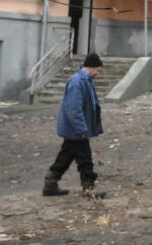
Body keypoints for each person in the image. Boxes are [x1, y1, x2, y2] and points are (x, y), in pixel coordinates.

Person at [43, 52, 106, 199]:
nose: (98, 72)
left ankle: (50, 185)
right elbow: (73, 109)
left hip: (75, 129)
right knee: (85, 160)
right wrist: (82, 129)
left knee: (65, 157)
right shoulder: (77, 82)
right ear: (91, 67)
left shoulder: (85, 80)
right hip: (76, 130)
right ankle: (89, 190)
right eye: (97, 69)